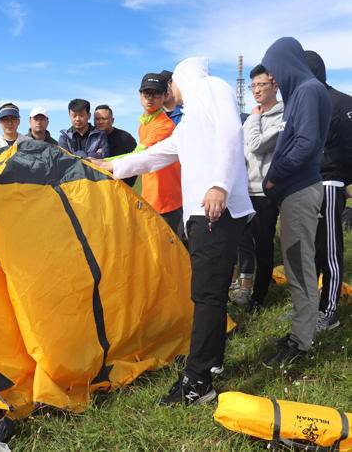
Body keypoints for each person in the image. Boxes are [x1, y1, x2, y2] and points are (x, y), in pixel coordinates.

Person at [92, 57, 253, 405]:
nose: (168, 94)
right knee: (207, 292)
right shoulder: (192, 115)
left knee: (206, 294)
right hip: (205, 213)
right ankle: (210, 364)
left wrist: (219, 185)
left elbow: (232, 132)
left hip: (215, 210)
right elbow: (157, 155)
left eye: (169, 87)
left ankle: (197, 384)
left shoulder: (211, 89)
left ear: (180, 79)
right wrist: (112, 166)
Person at [260, 37, 331, 369]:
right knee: (294, 263)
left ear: (286, 62)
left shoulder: (306, 90)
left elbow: (304, 145)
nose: (272, 77)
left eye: (274, 69)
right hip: (296, 191)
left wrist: (273, 177)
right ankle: (300, 331)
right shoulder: (304, 92)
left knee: (299, 266)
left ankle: (301, 342)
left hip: (300, 191)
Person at [305, 49, 352, 332]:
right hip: (304, 187)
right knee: (308, 252)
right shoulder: (303, 104)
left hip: (330, 184)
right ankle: (309, 308)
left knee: (330, 250)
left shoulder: (340, 103)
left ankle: (329, 311)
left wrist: (346, 183)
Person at [231, 65, 284, 311]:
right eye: (253, 86)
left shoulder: (283, 117)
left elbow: (255, 145)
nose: (256, 91)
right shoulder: (253, 115)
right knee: (241, 243)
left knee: (263, 245)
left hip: (264, 193)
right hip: (243, 191)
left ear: (275, 85)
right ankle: (242, 285)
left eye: (261, 85)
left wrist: (253, 117)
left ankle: (259, 297)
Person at [135, 73, 182, 233]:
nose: (150, 98)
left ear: (165, 96)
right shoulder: (143, 124)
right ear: (140, 95)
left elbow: (138, 156)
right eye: (146, 93)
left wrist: (104, 162)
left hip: (167, 198)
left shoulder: (165, 126)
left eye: (156, 94)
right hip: (150, 195)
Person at [94, 104, 137, 186]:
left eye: (104, 119)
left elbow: (134, 164)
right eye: (97, 119)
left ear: (112, 120)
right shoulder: (90, 138)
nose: (100, 122)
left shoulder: (126, 139)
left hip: (119, 187)